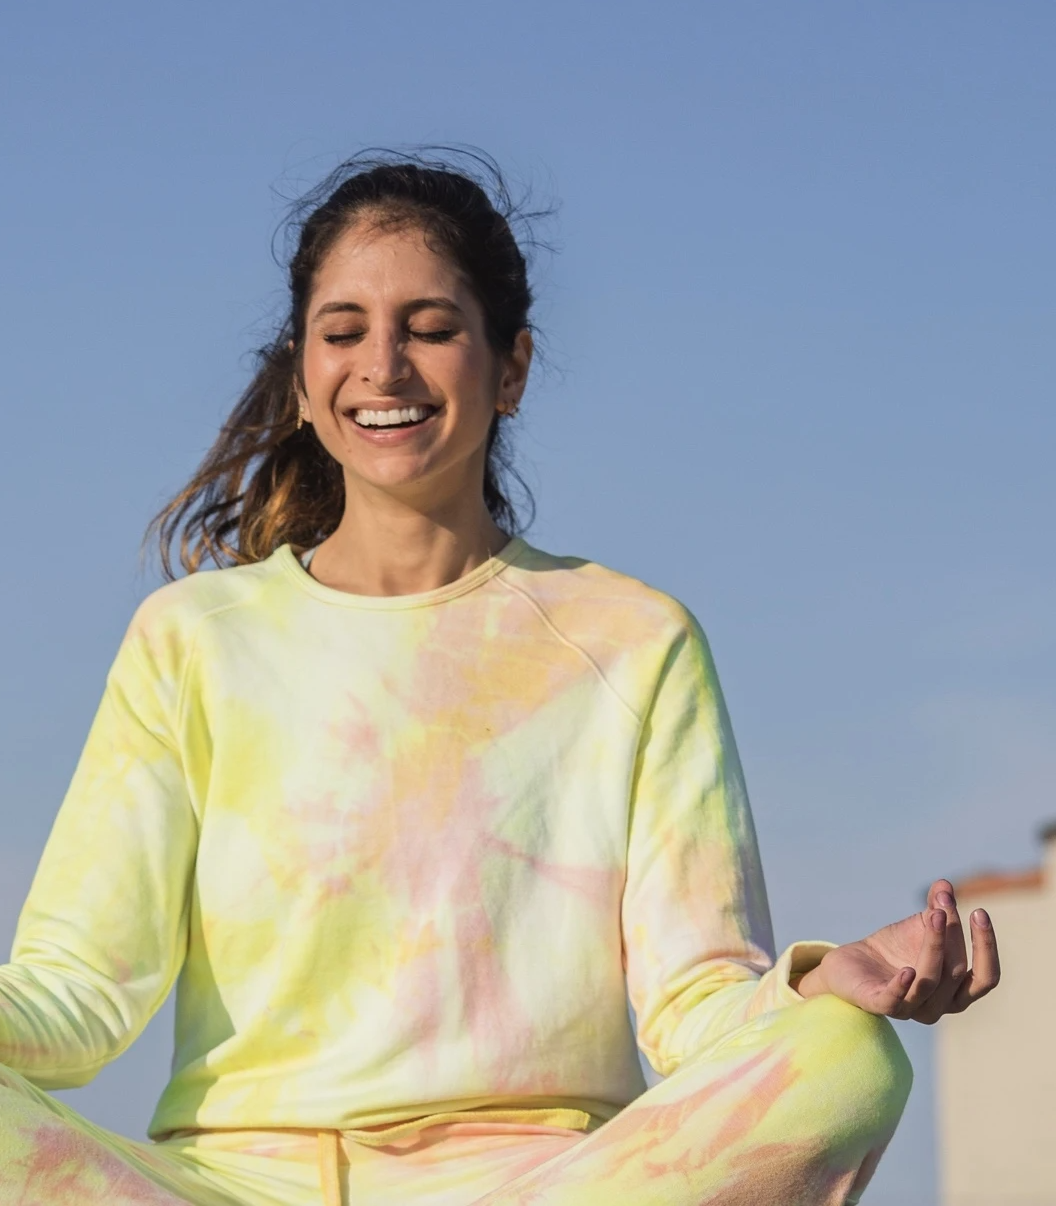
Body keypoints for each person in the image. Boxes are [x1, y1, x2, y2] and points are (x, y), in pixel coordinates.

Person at [0, 152, 999, 1206]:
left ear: (510, 367)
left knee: (850, 1059)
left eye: (429, 328)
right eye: (344, 332)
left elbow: (698, 998)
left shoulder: (633, 639)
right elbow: (74, 990)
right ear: (302, 376)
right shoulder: (193, 640)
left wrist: (814, 989)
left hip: (543, 1184)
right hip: (230, 1184)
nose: (383, 366)